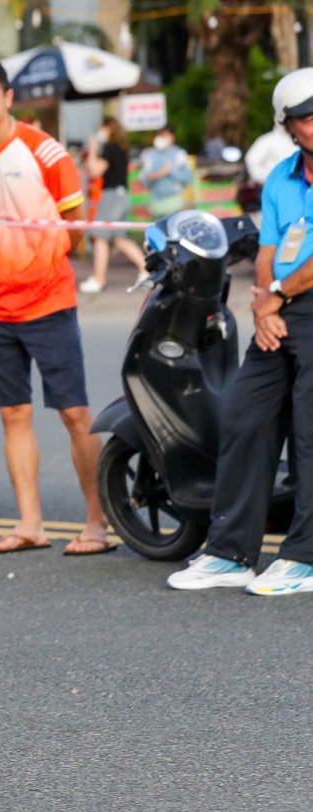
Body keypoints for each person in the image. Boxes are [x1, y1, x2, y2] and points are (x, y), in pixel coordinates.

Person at [0, 59, 114, 556]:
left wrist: (36, 259)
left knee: (74, 413)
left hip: (48, 301)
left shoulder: (45, 152)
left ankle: (97, 524)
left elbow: (77, 224)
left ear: (7, 98)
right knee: (12, 414)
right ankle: (30, 525)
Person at [168, 68, 313, 595]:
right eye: (307, 118)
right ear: (289, 127)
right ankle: (230, 552)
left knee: (309, 428)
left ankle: (306, 556)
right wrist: (263, 303)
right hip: (283, 302)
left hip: (298, 297)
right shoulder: (281, 179)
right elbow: (268, 251)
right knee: (245, 415)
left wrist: (277, 293)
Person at [78, 117, 149, 294]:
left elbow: (95, 170)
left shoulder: (110, 149)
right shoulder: (121, 149)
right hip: (122, 195)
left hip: (111, 197)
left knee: (100, 236)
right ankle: (146, 270)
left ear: (108, 128)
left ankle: (99, 279)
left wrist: (93, 149)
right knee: (119, 238)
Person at [139, 125, 195, 217]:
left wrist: (170, 171)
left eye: (164, 135)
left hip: (174, 203)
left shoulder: (179, 154)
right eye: (159, 135)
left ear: (172, 137)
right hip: (156, 204)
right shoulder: (150, 155)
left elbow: (187, 178)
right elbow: (144, 179)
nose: (161, 138)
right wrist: (155, 176)